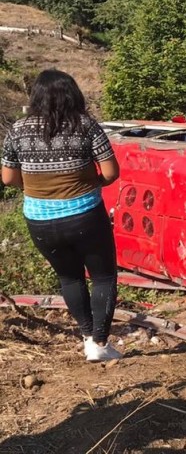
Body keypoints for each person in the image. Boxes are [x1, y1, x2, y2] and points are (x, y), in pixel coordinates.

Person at [1, 69, 122, 362]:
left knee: (69, 278)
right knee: (103, 276)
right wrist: (92, 184)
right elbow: (110, 172)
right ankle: (100, 344)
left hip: (40, 220)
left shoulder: (17, 130)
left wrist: (34, 189)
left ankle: (87, 336)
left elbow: (7, 179)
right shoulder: (86, 126)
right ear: (73, 94)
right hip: (85, 215)